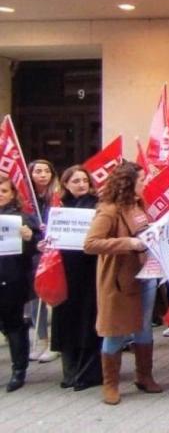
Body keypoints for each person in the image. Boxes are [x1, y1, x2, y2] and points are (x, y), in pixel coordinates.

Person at [84, 162, 163, 405]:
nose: (144, 183)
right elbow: (91, 244)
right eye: (141, 180)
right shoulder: (109, 210)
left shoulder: (139, 205)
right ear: (128, 183)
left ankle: (144, 376)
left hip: (145, 275)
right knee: (116, 329)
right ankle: (111, 384)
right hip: (119, 280)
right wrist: (127, 243)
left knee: (144, 326)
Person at [50, 166, 102, 391]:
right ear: (66, 185)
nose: (81, 184)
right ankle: (69, 371)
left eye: (84, 180)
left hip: (89, 270)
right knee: (66, 320)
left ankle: (88, 372)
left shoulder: (97, 206)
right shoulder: (59, 208)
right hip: (65, 271)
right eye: (75, 181)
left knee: (87, 321)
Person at [0, 176, 43, 392]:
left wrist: (29, 238)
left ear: (12, 194)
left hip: (12, 280)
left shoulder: (23, 219)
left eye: (4, 191)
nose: (0, 194)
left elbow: (40, 247)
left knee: (14, 325)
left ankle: (19, 370)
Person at [27, 159, 60, 364]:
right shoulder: (25, 199)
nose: (42, 175)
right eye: (38, 171)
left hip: (55, 252)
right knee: (35, 297)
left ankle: (55, 343)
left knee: (56, 295)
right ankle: (41, 339)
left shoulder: (57, 197)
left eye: (46, 171)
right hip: (34, 252)